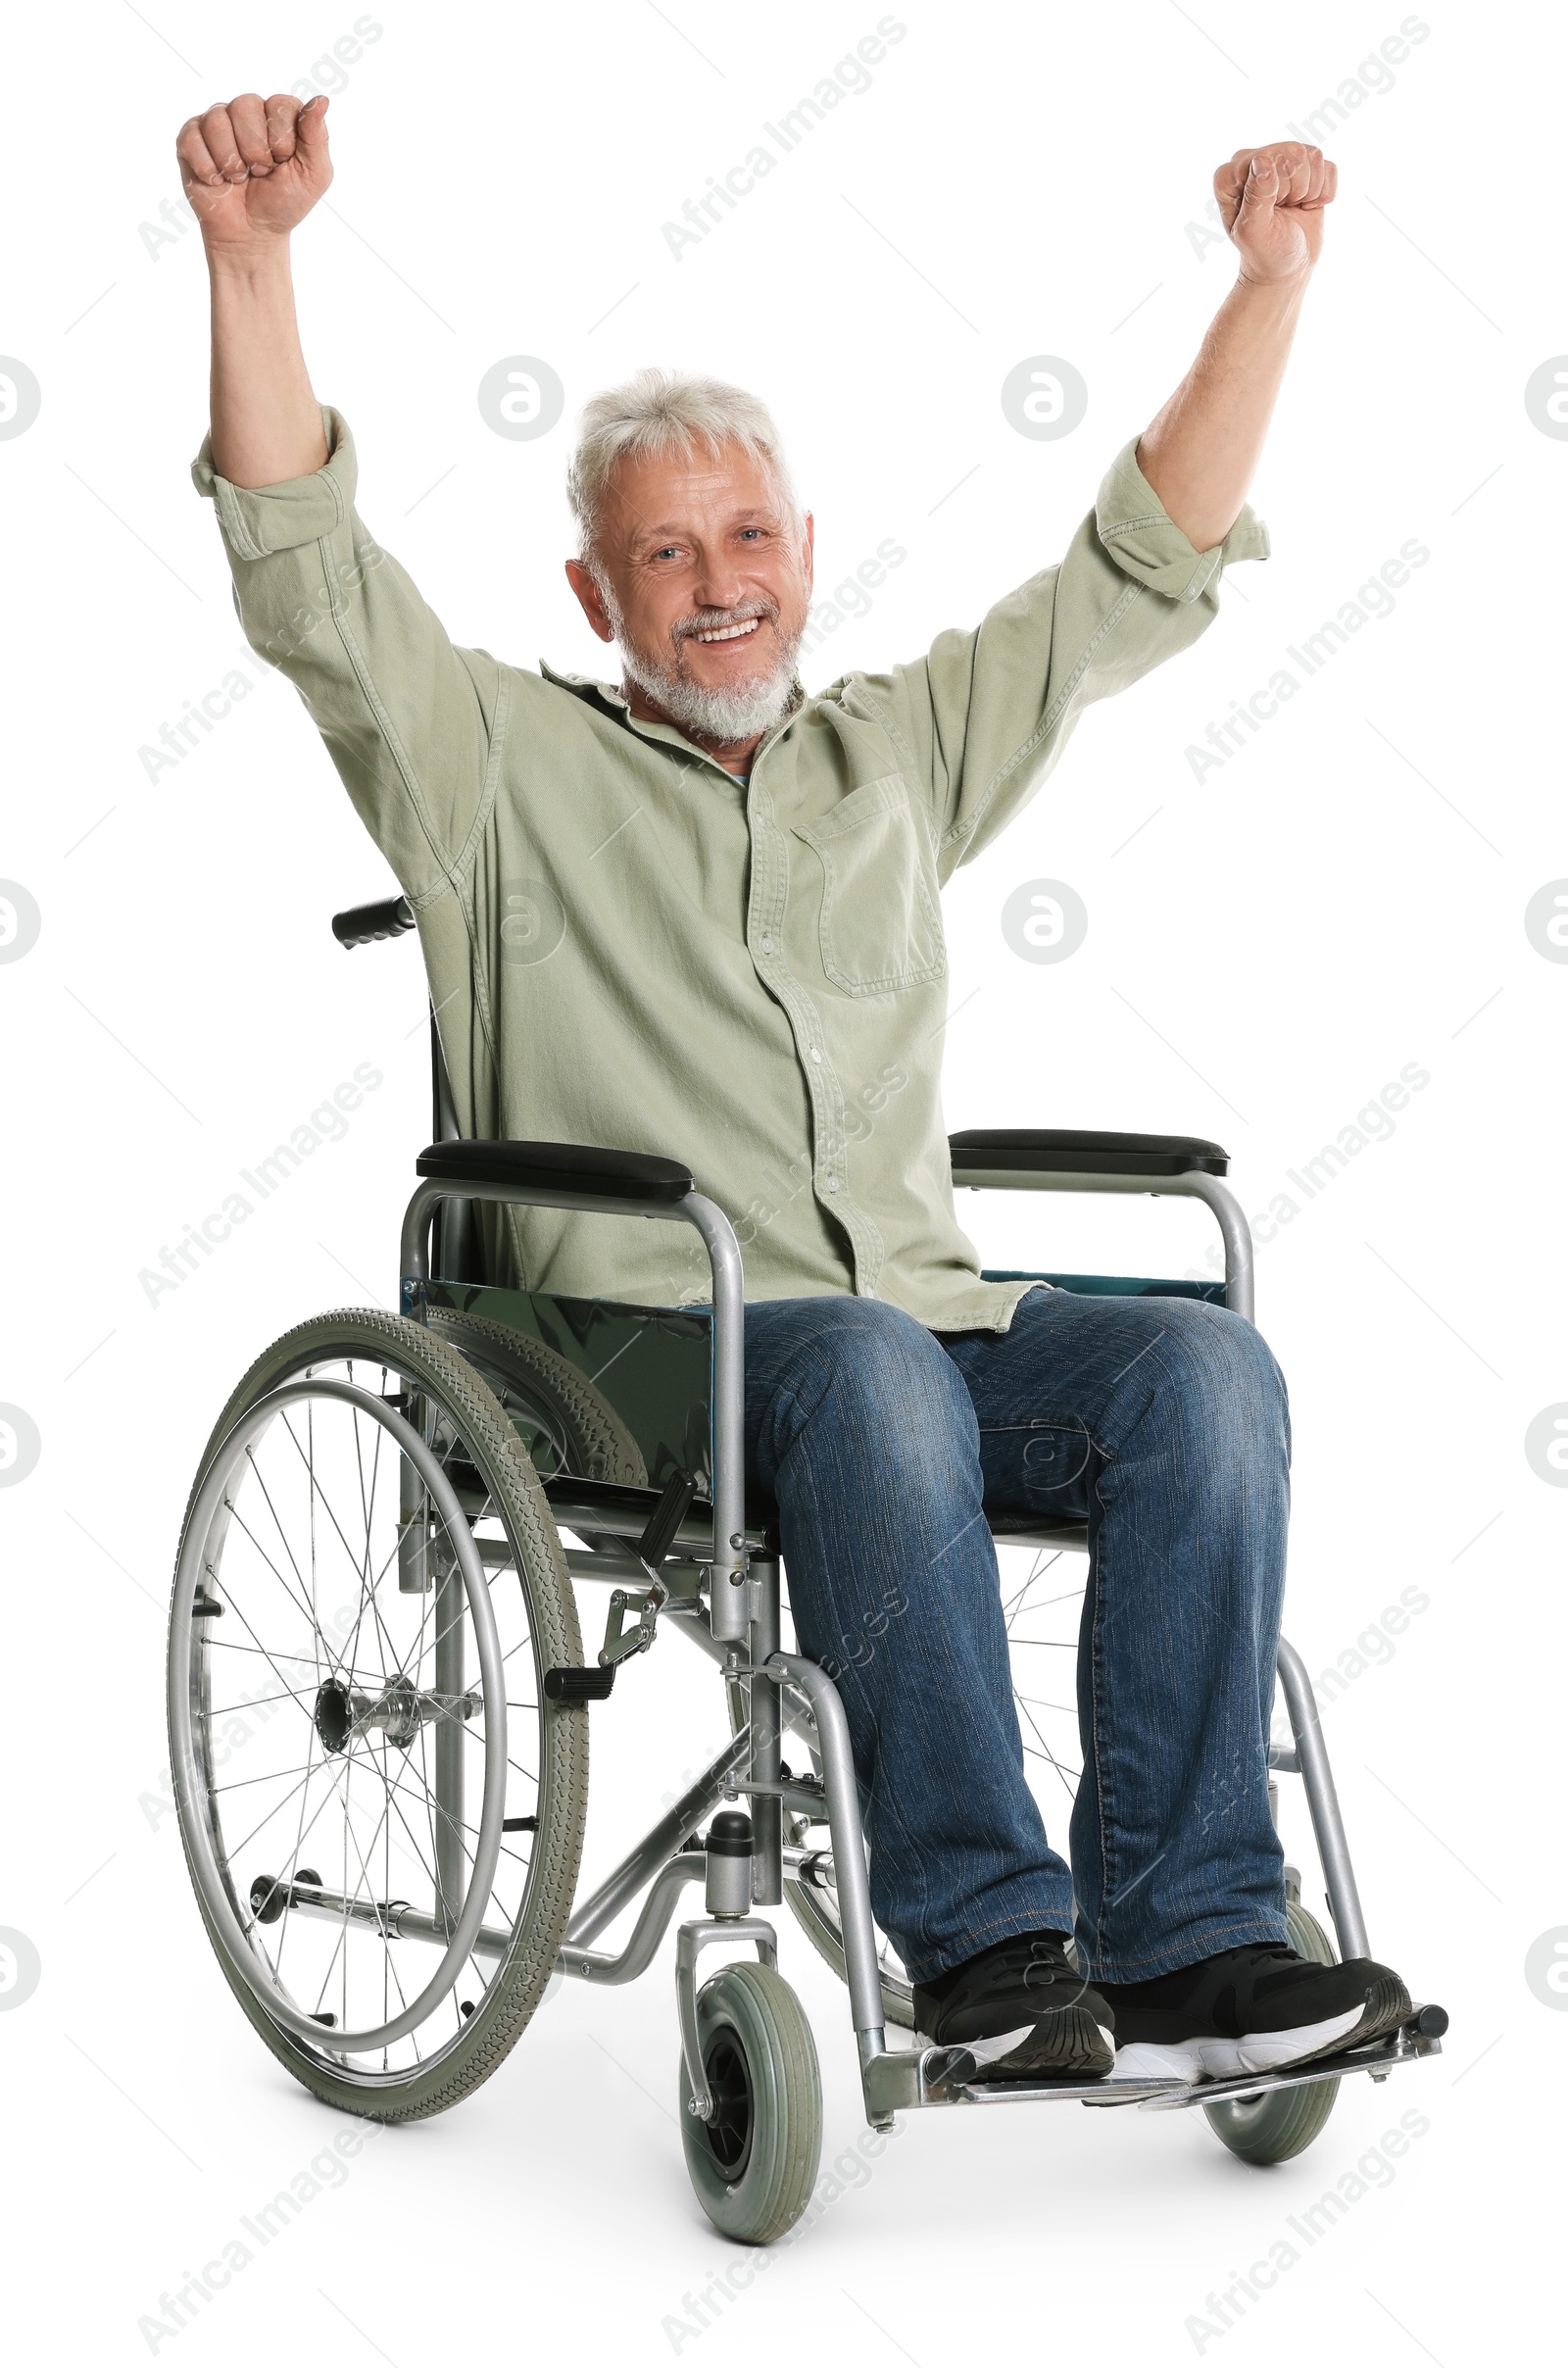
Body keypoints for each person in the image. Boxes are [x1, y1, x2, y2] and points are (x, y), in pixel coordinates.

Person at [181, 90, 1410, 2082]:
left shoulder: (887, 758)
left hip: (899, 1328)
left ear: (806, 552)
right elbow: (309, 584)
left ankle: (1188, 1928)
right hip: (625, 1343)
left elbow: (1127, 577)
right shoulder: (497, 764)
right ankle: (992, 1951)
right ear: (599, 597)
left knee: (1201, 1374)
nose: (716, 578)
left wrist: (1265, 288)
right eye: (662, 552)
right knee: (857, 1361)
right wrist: (253, 259)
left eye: (746, 534)